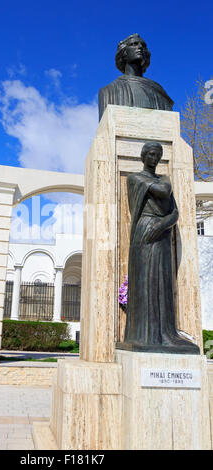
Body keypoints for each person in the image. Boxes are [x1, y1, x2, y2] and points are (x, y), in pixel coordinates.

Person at [118, 142, 200, 354]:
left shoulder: (163, 179)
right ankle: (145, 335)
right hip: (144, 232)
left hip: (161, 232)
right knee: (146, 281)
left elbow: (174, 212)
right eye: (151, 154)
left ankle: (165, 334)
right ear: (143, 156)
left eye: (158, 155)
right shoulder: (135, 178)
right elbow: (163, 190)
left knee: (162, 281)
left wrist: (162, 225)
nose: (154, 158)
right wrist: (154, 225)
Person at [98, 34, 174, 121]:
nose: (140, 47)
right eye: (134, 44)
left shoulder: (159, 91)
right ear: (124, 53)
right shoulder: (109, 91)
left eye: (143, 45)